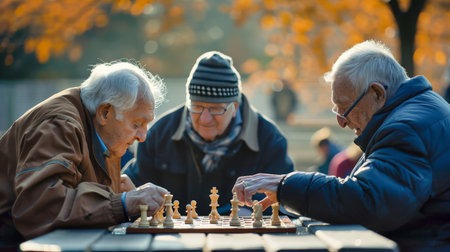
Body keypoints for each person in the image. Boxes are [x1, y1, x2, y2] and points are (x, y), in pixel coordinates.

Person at [232, 40, 450, 251]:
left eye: (345, 107)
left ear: (377, 94)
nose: (341, 121)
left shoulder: (407, 128)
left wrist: (285, 186)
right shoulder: (419, 111)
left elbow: (369, 201)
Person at [0, 61, 170, 248]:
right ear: (105, 112)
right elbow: (40, 208)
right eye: (137, 124)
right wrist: (120, 202)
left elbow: (71, 189)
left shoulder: (104, 132)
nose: (143, 137)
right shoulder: (58, 125)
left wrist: (118, 193)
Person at [123, 51, 294, 215]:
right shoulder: (160, 134)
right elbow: (132, 188)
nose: (205, 119)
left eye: (215, 109)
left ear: (234, 107)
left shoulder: (269, 140)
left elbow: (286, 205)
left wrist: (247, 214)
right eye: (196, 107)